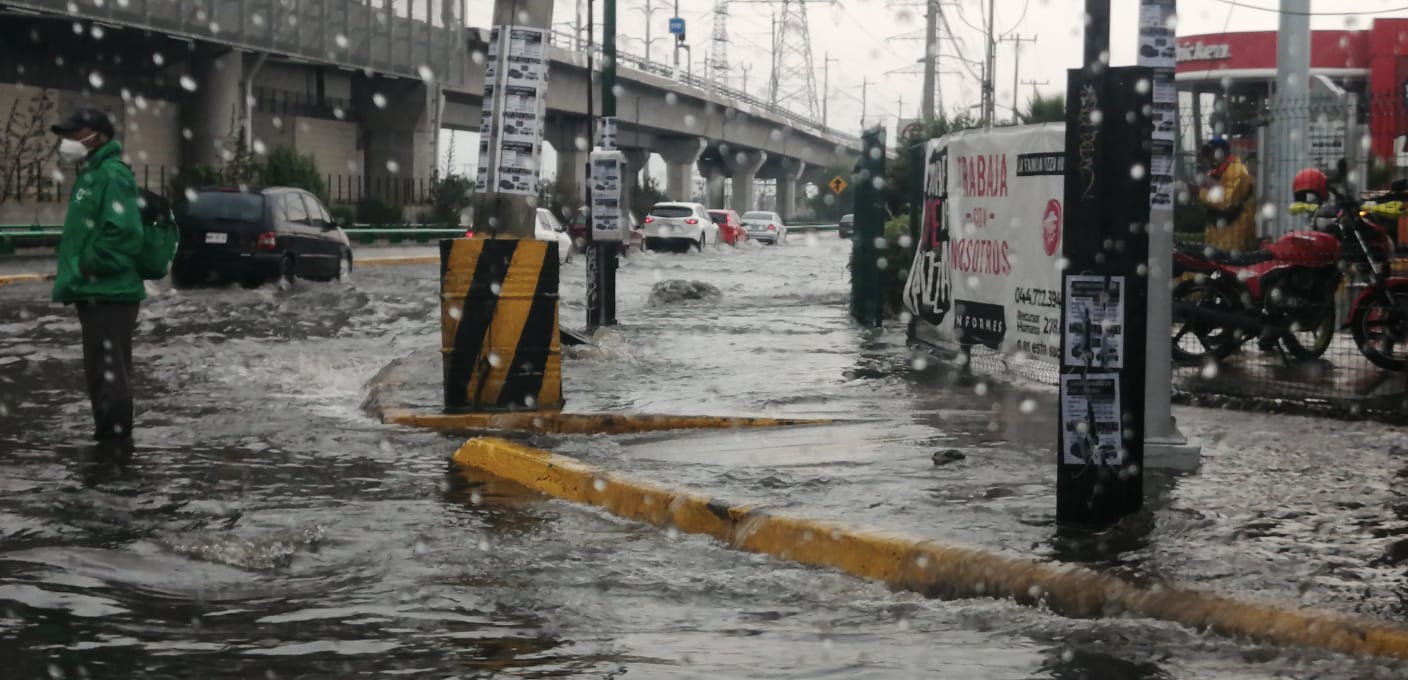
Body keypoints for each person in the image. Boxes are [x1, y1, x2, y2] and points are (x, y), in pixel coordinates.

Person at [50, 107, 146, 456]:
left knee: (109, 374)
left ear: (97, 137)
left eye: (76, 134)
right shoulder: (91, 175)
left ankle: (115, 450)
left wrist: (90, 264)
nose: (68, 142)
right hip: (95, 291)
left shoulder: (111, 174)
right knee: (101, 374)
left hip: (109, 291)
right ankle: (110, 441)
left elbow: (126, 233)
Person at [1191, 137, 1258, 252]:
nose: (1209, 158)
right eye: (1207, 154)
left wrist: (1200, 193)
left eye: (1211, 153)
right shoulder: (1215, 173)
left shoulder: (1237, 171)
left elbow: (1227, 201)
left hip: (1235, 240)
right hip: (1218, 239)